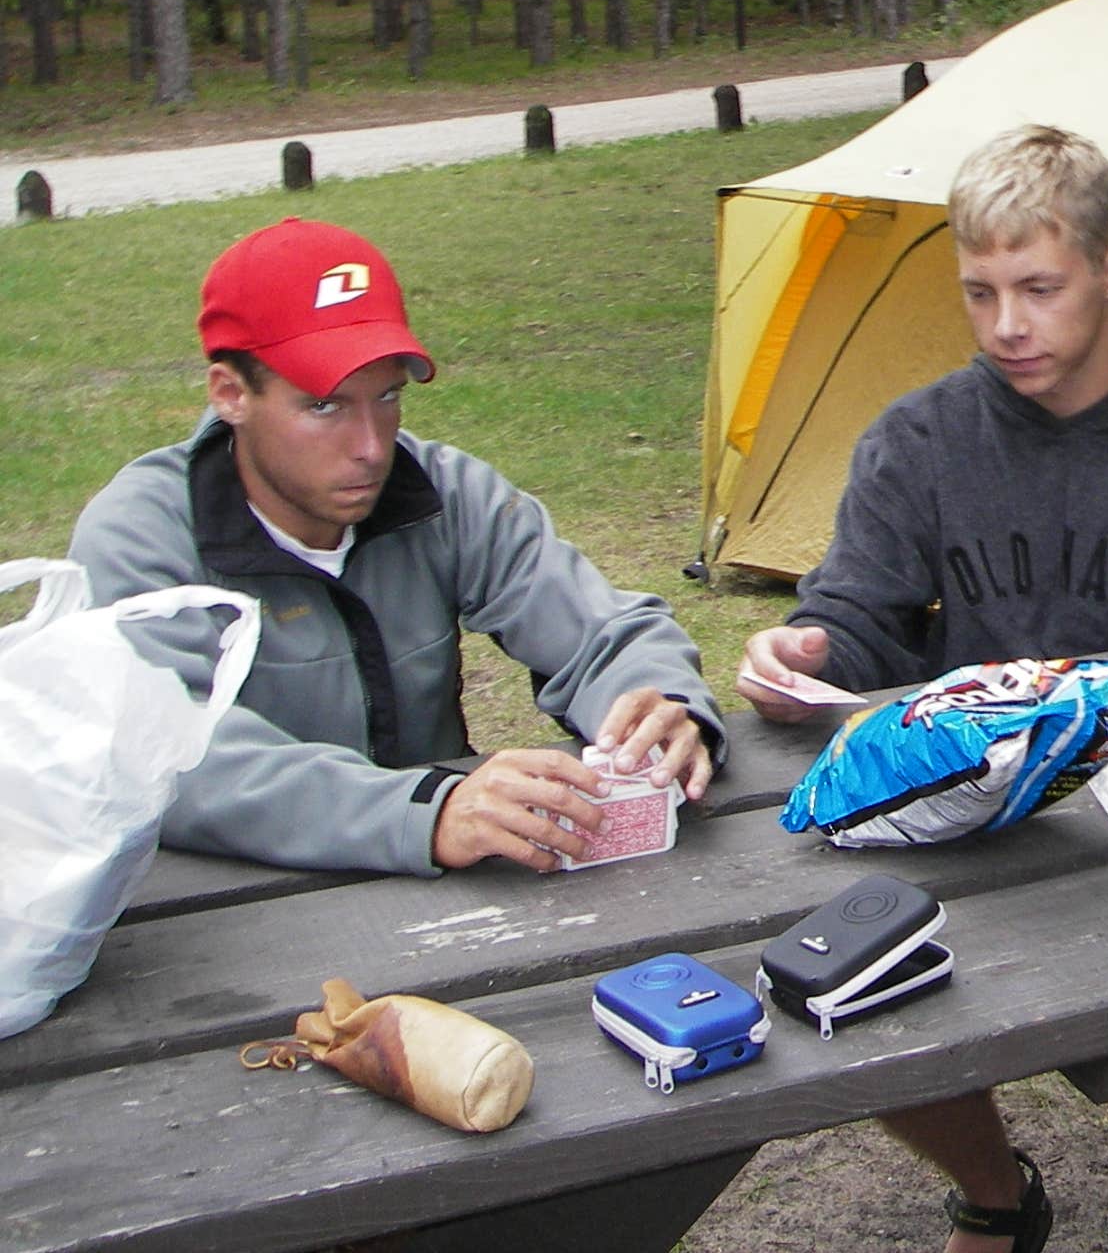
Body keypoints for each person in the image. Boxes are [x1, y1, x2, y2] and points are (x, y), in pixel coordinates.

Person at [738, 125, 1108, 1253]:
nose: (1009, 325)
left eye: (1041, 288)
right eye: (981, 291)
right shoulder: (917, 442)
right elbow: (857, 615)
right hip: (967, 837)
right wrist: (808, 647)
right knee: (844, 991)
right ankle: (997, 1194)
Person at [70, 217, 725, 877]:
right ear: (231, 395)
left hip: (451, 899)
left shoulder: (441, 489)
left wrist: (658, 709)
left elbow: (599, 629)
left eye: (386, 397)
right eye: (325, 406)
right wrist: (425, 811)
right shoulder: (142, 533)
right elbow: (164, 752)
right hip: (221, 925)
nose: (371, 446)